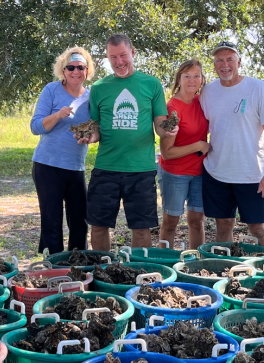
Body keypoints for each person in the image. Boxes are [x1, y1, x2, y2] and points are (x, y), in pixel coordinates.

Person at [76, 33, 176, 250]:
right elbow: (97, 127)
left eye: (123, 55)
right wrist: (91, 136)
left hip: (141, 169)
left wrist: (168, 129)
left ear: (133, 53)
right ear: (107, 58)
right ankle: (102, 270)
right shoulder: (100, 88)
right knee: (99, 226)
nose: (119, 62)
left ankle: (141, 274)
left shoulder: (151, 84)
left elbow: (160, 124)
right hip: (106, 168)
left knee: (141, 228)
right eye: (113, 57)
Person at [199, 40, 264, 249]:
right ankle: (223, 271)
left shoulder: (258, 88)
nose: (224, 65)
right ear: (214, 64)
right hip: (217, 171)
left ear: (239, 61)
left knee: (258, 228)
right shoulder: (208, 91)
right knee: (223, 225)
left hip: (251, 174)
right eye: (219, 60)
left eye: (230, 59)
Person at [29, 47, 96, 254]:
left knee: (80, 221)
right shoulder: (51, 90)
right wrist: (58, 115)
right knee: (52, 221)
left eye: (81, 67)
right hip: (47, 166)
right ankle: (52, 269)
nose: (76, 71)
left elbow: (95, 127)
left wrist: (89, 136)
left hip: (75, 167)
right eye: (71, 67)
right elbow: (35, 126)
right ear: (63, 70)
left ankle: (77, 266)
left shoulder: (92, 96)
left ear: (87, 70)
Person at [158, 59, 210, 250]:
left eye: (196, 75)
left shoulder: (202, 102)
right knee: (171, 222)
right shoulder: (173, 109)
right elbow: (167, 152)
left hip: (199, 172)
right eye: (187, 76)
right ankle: (164, 261)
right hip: (175, 173)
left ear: (202, 79)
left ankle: (196, 261)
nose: (192, 80)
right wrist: (197, 145)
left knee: (197, 220)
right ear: (179, 79)